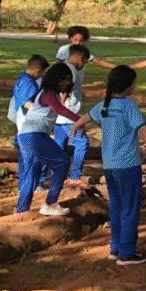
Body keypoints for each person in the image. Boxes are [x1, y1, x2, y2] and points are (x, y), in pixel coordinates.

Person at [70, 66, 146, 266]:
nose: (134, 86)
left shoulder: (105, 105)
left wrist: (77, 126)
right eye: (134, 83)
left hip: (110, 166)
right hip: (128, 165)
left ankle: (116, 247)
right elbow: (143, 131)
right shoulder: (128, 106)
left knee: (116, 206)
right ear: (128, 86)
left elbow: (87, 117)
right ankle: (127, 252)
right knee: (129, 208)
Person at [16, 63, 81, 216]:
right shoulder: (48, 93)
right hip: (35, 135)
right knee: (62, 163)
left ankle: (22, 211)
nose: (67, 83)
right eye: (65, 80)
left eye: (69, 80)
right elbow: (60, 110)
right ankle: (50, 203)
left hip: (25, 135)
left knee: (31, 173)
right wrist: (81, 120)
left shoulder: (50, 94)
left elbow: (57, 108)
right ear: (56, 79)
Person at [54, 44, 93, 187]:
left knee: (59, 145)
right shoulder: (71, 70)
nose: (83, 66)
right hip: (67, 116)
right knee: (82, 142)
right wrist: (63, 104)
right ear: (81, 58)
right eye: (84, 62)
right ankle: (75, 176)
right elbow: (64, 90)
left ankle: (57, 174)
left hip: (58, 117)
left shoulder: (62, 67)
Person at [7, 54, 48, 139]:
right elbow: (27, 103)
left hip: (20, 114)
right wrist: (41, 110)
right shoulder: (29, 83)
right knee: (27, 139)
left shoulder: (23, 77)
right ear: (38, 71)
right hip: (25, 116)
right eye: (42, 73)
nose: (41, 76)